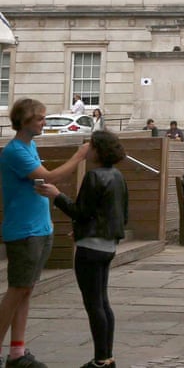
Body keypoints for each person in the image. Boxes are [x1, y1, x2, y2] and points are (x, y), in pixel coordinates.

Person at [0, 98, 92, 368]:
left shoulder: (30, 146)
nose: (44, 122)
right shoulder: (15, 150)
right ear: (25, 120)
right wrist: (79, 155)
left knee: (26, 290)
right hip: (24, 230)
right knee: (16, 291)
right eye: (40, 118)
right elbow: (50, 177)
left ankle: (17, 352)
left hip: (40, 227)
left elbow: (39, 180)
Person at [46, 128, 128, 368]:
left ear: (97, 150)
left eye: (90, 145)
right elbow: (119, 214)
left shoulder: (94, 176)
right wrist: (85, 229)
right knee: (102, 301)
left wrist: (57, 195)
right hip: (107, 245)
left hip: (90, 247)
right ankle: (107, 356)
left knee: (93, 303)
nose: (87, 149)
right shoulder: (118, 176)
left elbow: (80, 212)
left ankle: (101, 359)